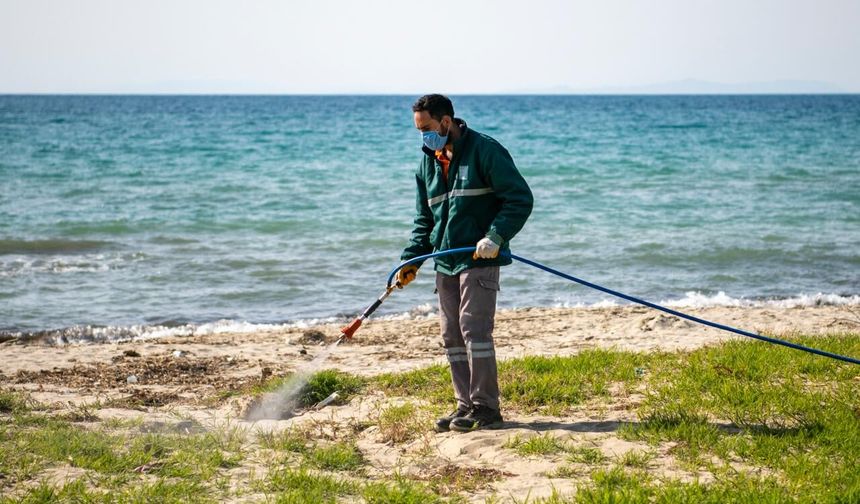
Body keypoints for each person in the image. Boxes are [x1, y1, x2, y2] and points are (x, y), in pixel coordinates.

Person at [396, 94, 533, 432]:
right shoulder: (426, 163)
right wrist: (411, 260)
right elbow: (424, 220)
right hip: (444, 261)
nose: (424, 136)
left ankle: (486, 408)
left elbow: (519, 199)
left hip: (478, 257)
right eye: (418, 130)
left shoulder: (485, 150)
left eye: (427, 128)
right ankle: (465, 406)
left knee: (474, 329)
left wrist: (496, 237)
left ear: (446, 122)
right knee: (451, 334)